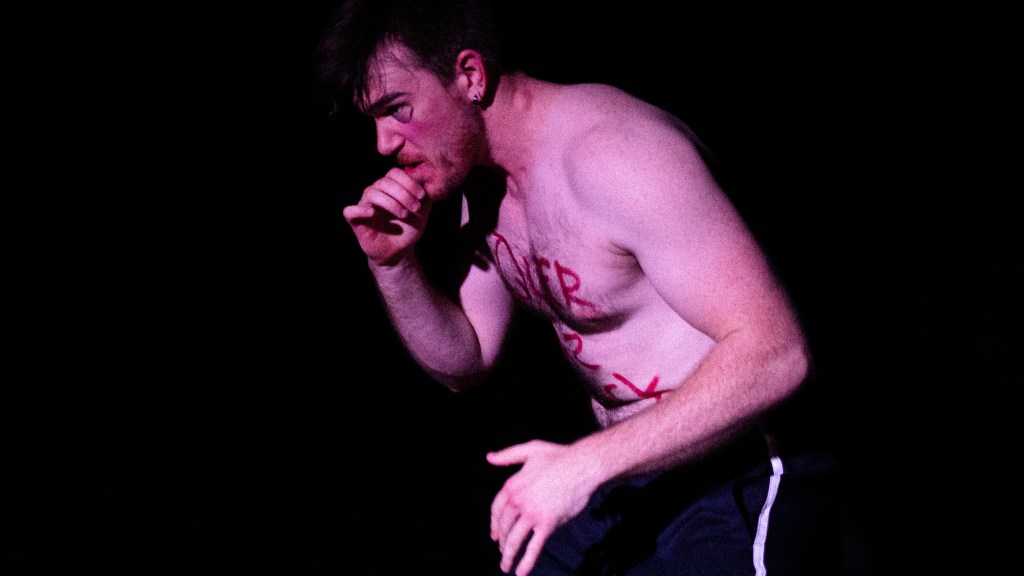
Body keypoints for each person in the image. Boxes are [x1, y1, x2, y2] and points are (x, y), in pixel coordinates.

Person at [317, 1, 842, 574]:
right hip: (631, 477)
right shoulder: (486, 188)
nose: (383, 144)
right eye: (373, 120)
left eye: (398, 110)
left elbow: (778, 354)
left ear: (469, 75)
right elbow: (465, 362)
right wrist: (393, 266)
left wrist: (583, 466)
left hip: (739, 470)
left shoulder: (615, 154)